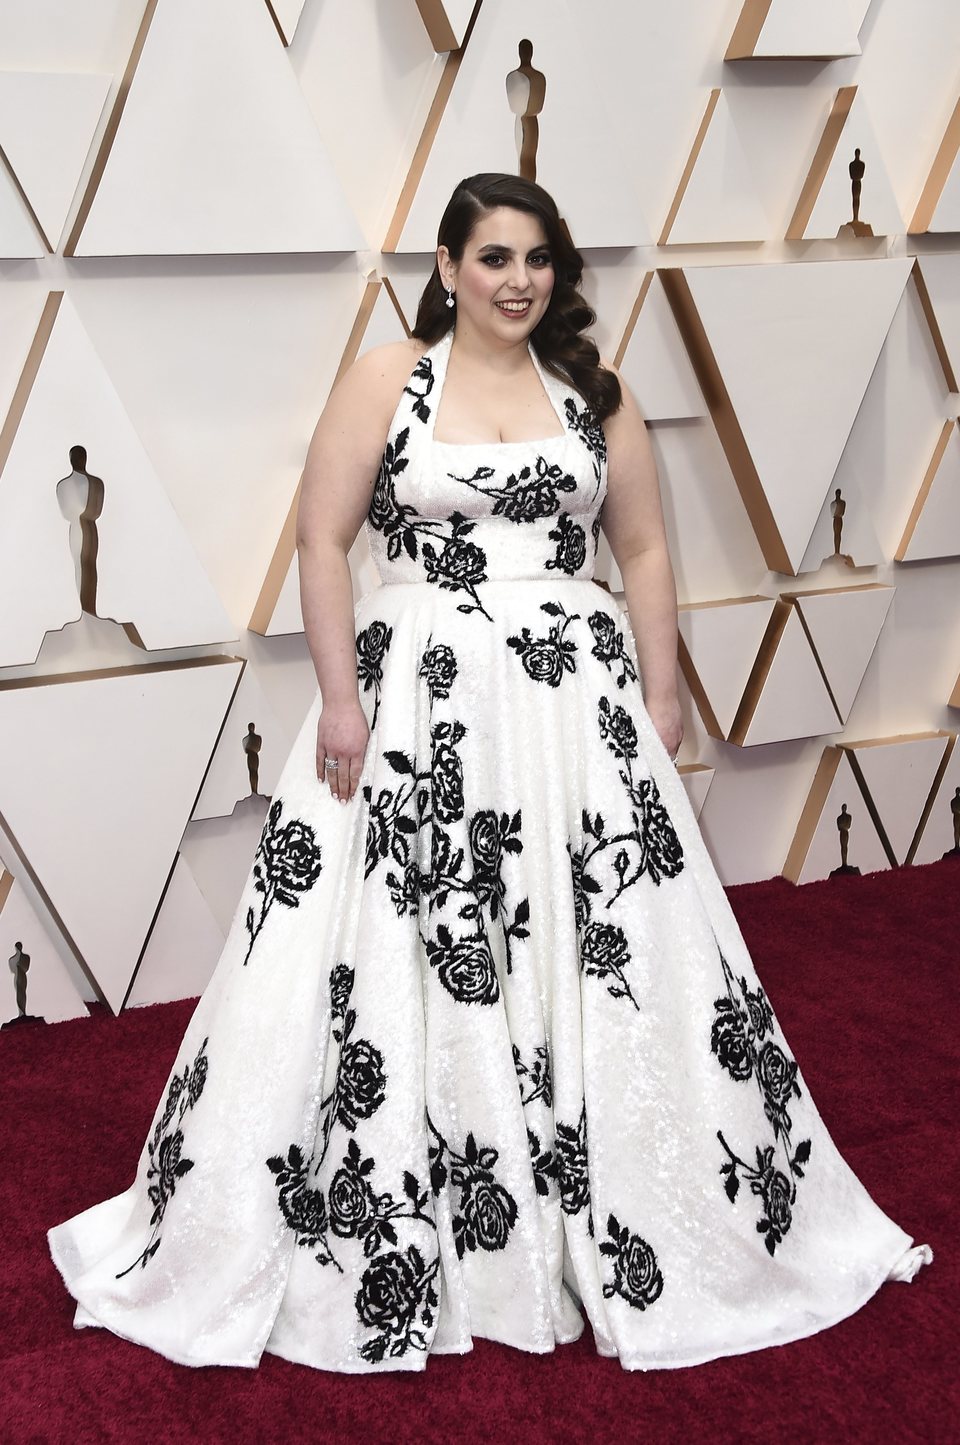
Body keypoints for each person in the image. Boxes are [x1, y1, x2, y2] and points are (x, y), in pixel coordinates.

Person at [47, 172, 930, 1373]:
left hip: (574, 712)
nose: (519, 279)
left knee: (603, 946)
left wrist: (665, 691)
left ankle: (622, 1215)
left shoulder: (594, 395)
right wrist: (344, 702)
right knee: (394, 946)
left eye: (539, 258)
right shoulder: (387, 377)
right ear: (451, 266)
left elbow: (648, 546)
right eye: (495, 257)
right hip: (417, 706)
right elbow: (321, 538)